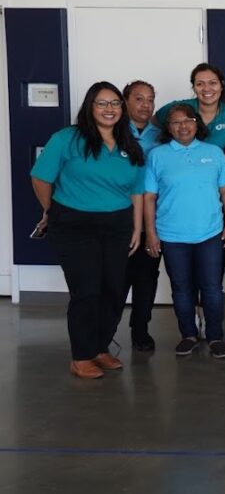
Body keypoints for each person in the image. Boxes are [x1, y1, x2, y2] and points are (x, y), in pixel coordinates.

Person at [30, 81, 146, 379]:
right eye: (102, 103)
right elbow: (41, 177)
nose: (110, 109)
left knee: (114, 289)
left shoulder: (128, 143)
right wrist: (51, 210)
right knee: (87, 290)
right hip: (74, 225)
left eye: (115, 104)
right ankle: (81, 355)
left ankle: (99, 348)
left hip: (118, 224)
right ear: (89, 107)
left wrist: (136, 227)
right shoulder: (67, 138)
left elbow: (136, 188)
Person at [143, 104, 225, 359]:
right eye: (175, 122)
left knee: (212, 288)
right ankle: (188, 334)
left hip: (209, 232)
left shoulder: (214, 152)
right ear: (168, 127)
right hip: (171, 235)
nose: (183, 126)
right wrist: (150, 232)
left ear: (197, 124)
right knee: (181, 288)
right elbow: (149, 197)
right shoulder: (157, 156)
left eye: (188, 120)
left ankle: (215, 335)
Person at [118, 80, 162, 351]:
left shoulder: (161, 135)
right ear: (125, 102)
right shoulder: (113, 131)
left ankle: (140, 328)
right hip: (118, 216)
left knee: (146, 276)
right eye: (139, 99)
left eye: (150, 99)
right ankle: (106, 328)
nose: (145, 105)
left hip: (151, 219)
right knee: (116, 275)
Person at [155, 63, 225, 149]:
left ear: (222, 85)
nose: (206, 88)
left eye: (212, 83)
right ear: (194, 88)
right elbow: (151, 126)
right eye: (200, 84)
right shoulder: (176, 109)